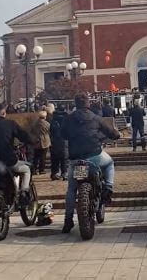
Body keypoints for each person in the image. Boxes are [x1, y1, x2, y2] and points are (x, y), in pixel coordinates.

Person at [60, 92, 120, 233]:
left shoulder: (68, 119)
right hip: (94, 155)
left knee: (71, 189)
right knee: (109, 163)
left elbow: (62, 134)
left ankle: (68, 220)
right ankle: (108, 188)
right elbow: (113, 133)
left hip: (75, 158)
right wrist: (116, 135)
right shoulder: (96, 118)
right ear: (88, 103)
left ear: (75, 104)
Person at [0, 103, 36, 205]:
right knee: (27, 169)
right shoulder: (10, 124)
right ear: (3, 112)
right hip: (7, 160)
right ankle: (24, 193)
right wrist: (32, 141)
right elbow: (24, 136)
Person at [49, 105, 69, 180]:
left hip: (54, 141)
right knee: (64, 159)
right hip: (64, 141)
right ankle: (64, 173)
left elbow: (50, 131)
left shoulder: (53, 119)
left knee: (54, 159)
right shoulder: (66, 119)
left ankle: (54, 173)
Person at [33, 110, 51, 175]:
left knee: (36, 157)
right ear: (45, 117)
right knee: (43, 157)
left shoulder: (35, 124)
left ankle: (34, 170)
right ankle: (41, 170)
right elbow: (50, 131)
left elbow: (32, 131)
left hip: (37, 141)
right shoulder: (47, 124)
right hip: (45, 141)